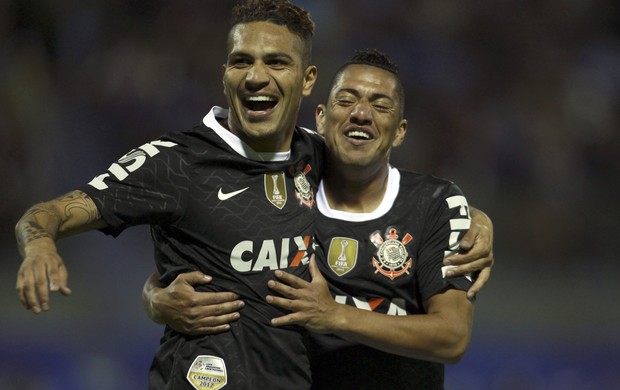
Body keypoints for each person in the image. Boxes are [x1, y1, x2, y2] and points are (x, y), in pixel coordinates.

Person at [143, 49, 493, 389]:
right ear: (321, 118)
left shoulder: (434, 205)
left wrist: (334, 315)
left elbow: (451, 337)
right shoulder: (276, 193)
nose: (361, 113)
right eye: (346, 100)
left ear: (400, 131)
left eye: (380, 104)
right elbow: (192, 267)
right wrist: (155, 300)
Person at [16, 1, 322, 389]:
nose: (255, 76)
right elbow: (46, 213)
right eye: (241, 61)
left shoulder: (323, 158)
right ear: (224, 73)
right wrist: (40, 246)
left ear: (308, 78)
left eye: (277, 62)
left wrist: (152, 298)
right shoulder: (174, 162)